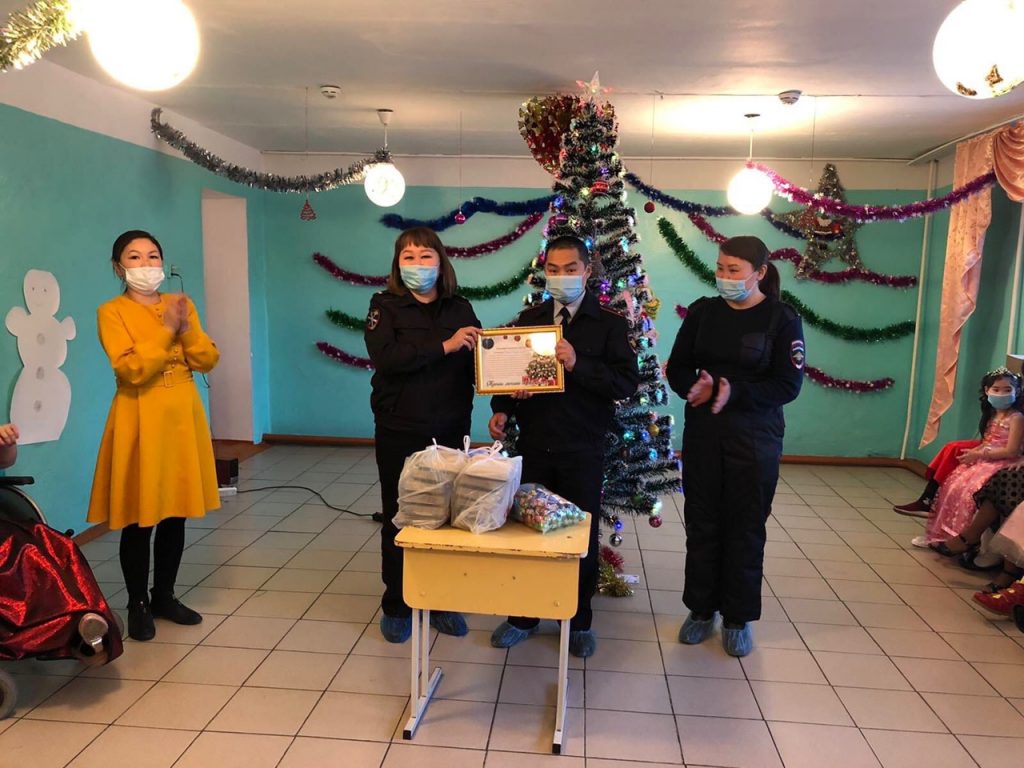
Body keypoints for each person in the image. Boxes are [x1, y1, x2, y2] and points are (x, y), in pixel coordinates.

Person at [487, 235, 640, 659]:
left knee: (579, 539)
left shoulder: (609, 324)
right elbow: (511, 374)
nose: (561, 277)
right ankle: (523, 617)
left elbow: (626, 383)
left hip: (583, 449)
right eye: (553, 269)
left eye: (570, 268)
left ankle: (578, 619)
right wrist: (502, 410)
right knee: (527, 533)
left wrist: (578, 364)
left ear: (587, 271)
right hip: (535, 445)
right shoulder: (530, 319)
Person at [666, 235, 804, 658]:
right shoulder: (703, 313)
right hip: (704, 435)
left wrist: (733, 391)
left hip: (755, 439)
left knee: (745, 527)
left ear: (759, 273)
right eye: (720, 268)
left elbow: (787, 384)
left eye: (734, 271)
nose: (724, 277)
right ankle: (701, 610)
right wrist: (696, 387)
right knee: (702, 523)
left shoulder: (782, 319)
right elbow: (678, 367)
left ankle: (738, 618)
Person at [87, 230, 220, 642]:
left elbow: (207, 359)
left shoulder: (181, 304)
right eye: (135, 257)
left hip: (182, 412)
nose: (146, 264)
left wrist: (186, 328)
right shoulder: (111, 312)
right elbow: (131, 369)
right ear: (118, 267)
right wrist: (166, 331)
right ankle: (137, 602)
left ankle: (164, 595)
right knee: (140, 516)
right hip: (139, 414)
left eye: (153, 256)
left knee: (176, 510)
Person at [365, 226, 481, 643]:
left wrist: (512, 381)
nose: (418, 264)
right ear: (398, 265)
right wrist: (445, 346)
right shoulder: (384, 306)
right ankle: (397, 604)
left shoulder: (460, 308)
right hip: (400, 427)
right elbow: (387, 358)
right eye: (408, 257)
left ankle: (442, 601)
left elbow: (481, 361)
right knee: (400, 515)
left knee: (446, 518)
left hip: (450, 427)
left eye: (425, 256)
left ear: (440, 261)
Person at [914, 368, 1024, 551]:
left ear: (1017, 391)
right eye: (996, 389)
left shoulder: (1017, 417)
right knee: (953, 486)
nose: (1001, 394)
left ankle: (968, 539)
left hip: (1000, 461)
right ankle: (944, 535)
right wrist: (974, 452)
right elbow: (987, 441)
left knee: (972, 491)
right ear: (987, 390)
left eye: (1007, 390)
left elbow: (1011, 450)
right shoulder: (993, 414)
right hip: (986, 459)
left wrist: (981, 454)